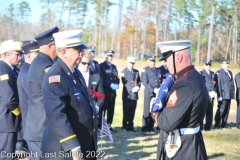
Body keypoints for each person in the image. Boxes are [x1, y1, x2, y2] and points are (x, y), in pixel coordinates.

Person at [41, 30, 97, 160]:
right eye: (78, 50)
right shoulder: (55, 77)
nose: (82, 53)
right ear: (64, 52)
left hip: (83, 142)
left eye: (82, 50)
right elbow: (57, 115)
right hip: (65, 151)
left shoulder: (75, 72)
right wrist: (73, 146)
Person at [153, 40, 208, 160]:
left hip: (183, 149)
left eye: (166, 59)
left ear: (178, 57)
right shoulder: (193, 77)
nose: (165, 63)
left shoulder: (185, 84)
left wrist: (156, 114)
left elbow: (166, 123)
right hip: (188, 145)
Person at [24, 26, 59, 159]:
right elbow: (55, 93)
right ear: (50, 46)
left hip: (39, 127)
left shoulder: (42, 62)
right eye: (58, 45)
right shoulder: (45, 66)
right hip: (40, 129)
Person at [0, 40, 23, 160]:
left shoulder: (12, 69)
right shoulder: (3, 69)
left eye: (21, 55)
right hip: (7, 121)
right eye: (17, 54)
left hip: (8, 121)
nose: (20, 57)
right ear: (7, 54)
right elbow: (9, 99)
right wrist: (20, 113)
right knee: (6, 156)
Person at [17, 41, 39, 152]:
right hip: (33, 124)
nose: (39, 56)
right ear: (29, 55)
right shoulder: (27, 72)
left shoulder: (28, 70)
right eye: (37, 54)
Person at [78, 51, 105, 127]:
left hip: (91, 113)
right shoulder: (74, 75)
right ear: (79, 61)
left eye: (88, 64)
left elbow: (101, 96)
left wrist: (97, 107)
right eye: (84, 63)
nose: (86, 66)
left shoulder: (96, 77)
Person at [99, 50, 120, 131]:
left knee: (111, 110)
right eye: (109, 56)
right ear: (105, 56)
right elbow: (102, 79)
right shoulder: (101, 66)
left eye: (111, 56)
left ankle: (109, 125)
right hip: (105, 92)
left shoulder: (114, 67)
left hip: (112, 93)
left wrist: (117, 84)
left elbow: (117, 77)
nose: (110, 58)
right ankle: (102, 126)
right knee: (103, 110)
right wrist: (110, 85)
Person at [141, 56, 162, 132]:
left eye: (154, 61)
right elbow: (145, 82)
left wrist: (158, 89)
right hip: (149, 93)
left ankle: (151, 126)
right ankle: (145, 127)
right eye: (152, 61)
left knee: (154, 110)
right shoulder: (145, 70)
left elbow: (159, 81)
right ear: (148, 62)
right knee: (147, 110)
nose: (153, 63)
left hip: (156, 94)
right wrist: (153, 90)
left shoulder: (158, 70)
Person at [121, 57, 141, 132]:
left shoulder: (136, 72)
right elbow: (124, 82)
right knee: (126, 110)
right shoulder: (124, 72)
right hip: (127, 94)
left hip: (134, 95)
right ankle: (125, 125)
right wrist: (131, 88)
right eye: (130, 63)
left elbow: (139, 81)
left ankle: (131, 125)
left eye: (133, 63)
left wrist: (137, 87)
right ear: (127, 63)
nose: (132, 65)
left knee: (132, 110)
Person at [214, 59, 235, 129]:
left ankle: (224, 123)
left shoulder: (230, 72)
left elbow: (231, 83)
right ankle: (217, 123)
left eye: (227, 63)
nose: (227, 65)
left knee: (227, 109)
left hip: (228, 94)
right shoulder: (219, 73)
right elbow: (218, 85)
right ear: (222, 65)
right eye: (225, 64)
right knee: (221, 109)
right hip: (222, 94)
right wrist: (219, 95)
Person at [199, 59, 216, 131]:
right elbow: (199, 85)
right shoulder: (201, 73)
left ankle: (208, 127)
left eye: (209, 65)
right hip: (204, 95)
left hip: (211, 96)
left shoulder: (213, 74)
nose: (208, 66)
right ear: (204, 65)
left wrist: (214, 91)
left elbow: (215, 84)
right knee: (202, 111)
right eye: (207, 64)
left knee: (210, 111)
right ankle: (200, 127)